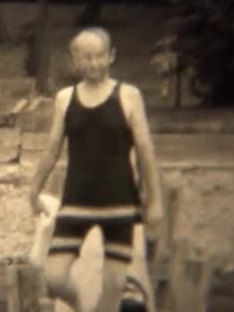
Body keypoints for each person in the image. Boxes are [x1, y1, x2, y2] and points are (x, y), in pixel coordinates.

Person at [28, 27, 164, 311]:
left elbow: (145, 152)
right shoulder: (65, 98)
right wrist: (34, 189)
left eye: (100, 56)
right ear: (74, 61)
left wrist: (156, 201)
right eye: (86, 57)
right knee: (54, 277)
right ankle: (78, 305)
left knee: (113, 287)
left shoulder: (129, 96)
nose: (93, 63)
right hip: (76, 202)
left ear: (111, 56)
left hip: (120, 203)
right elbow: (52, 149)